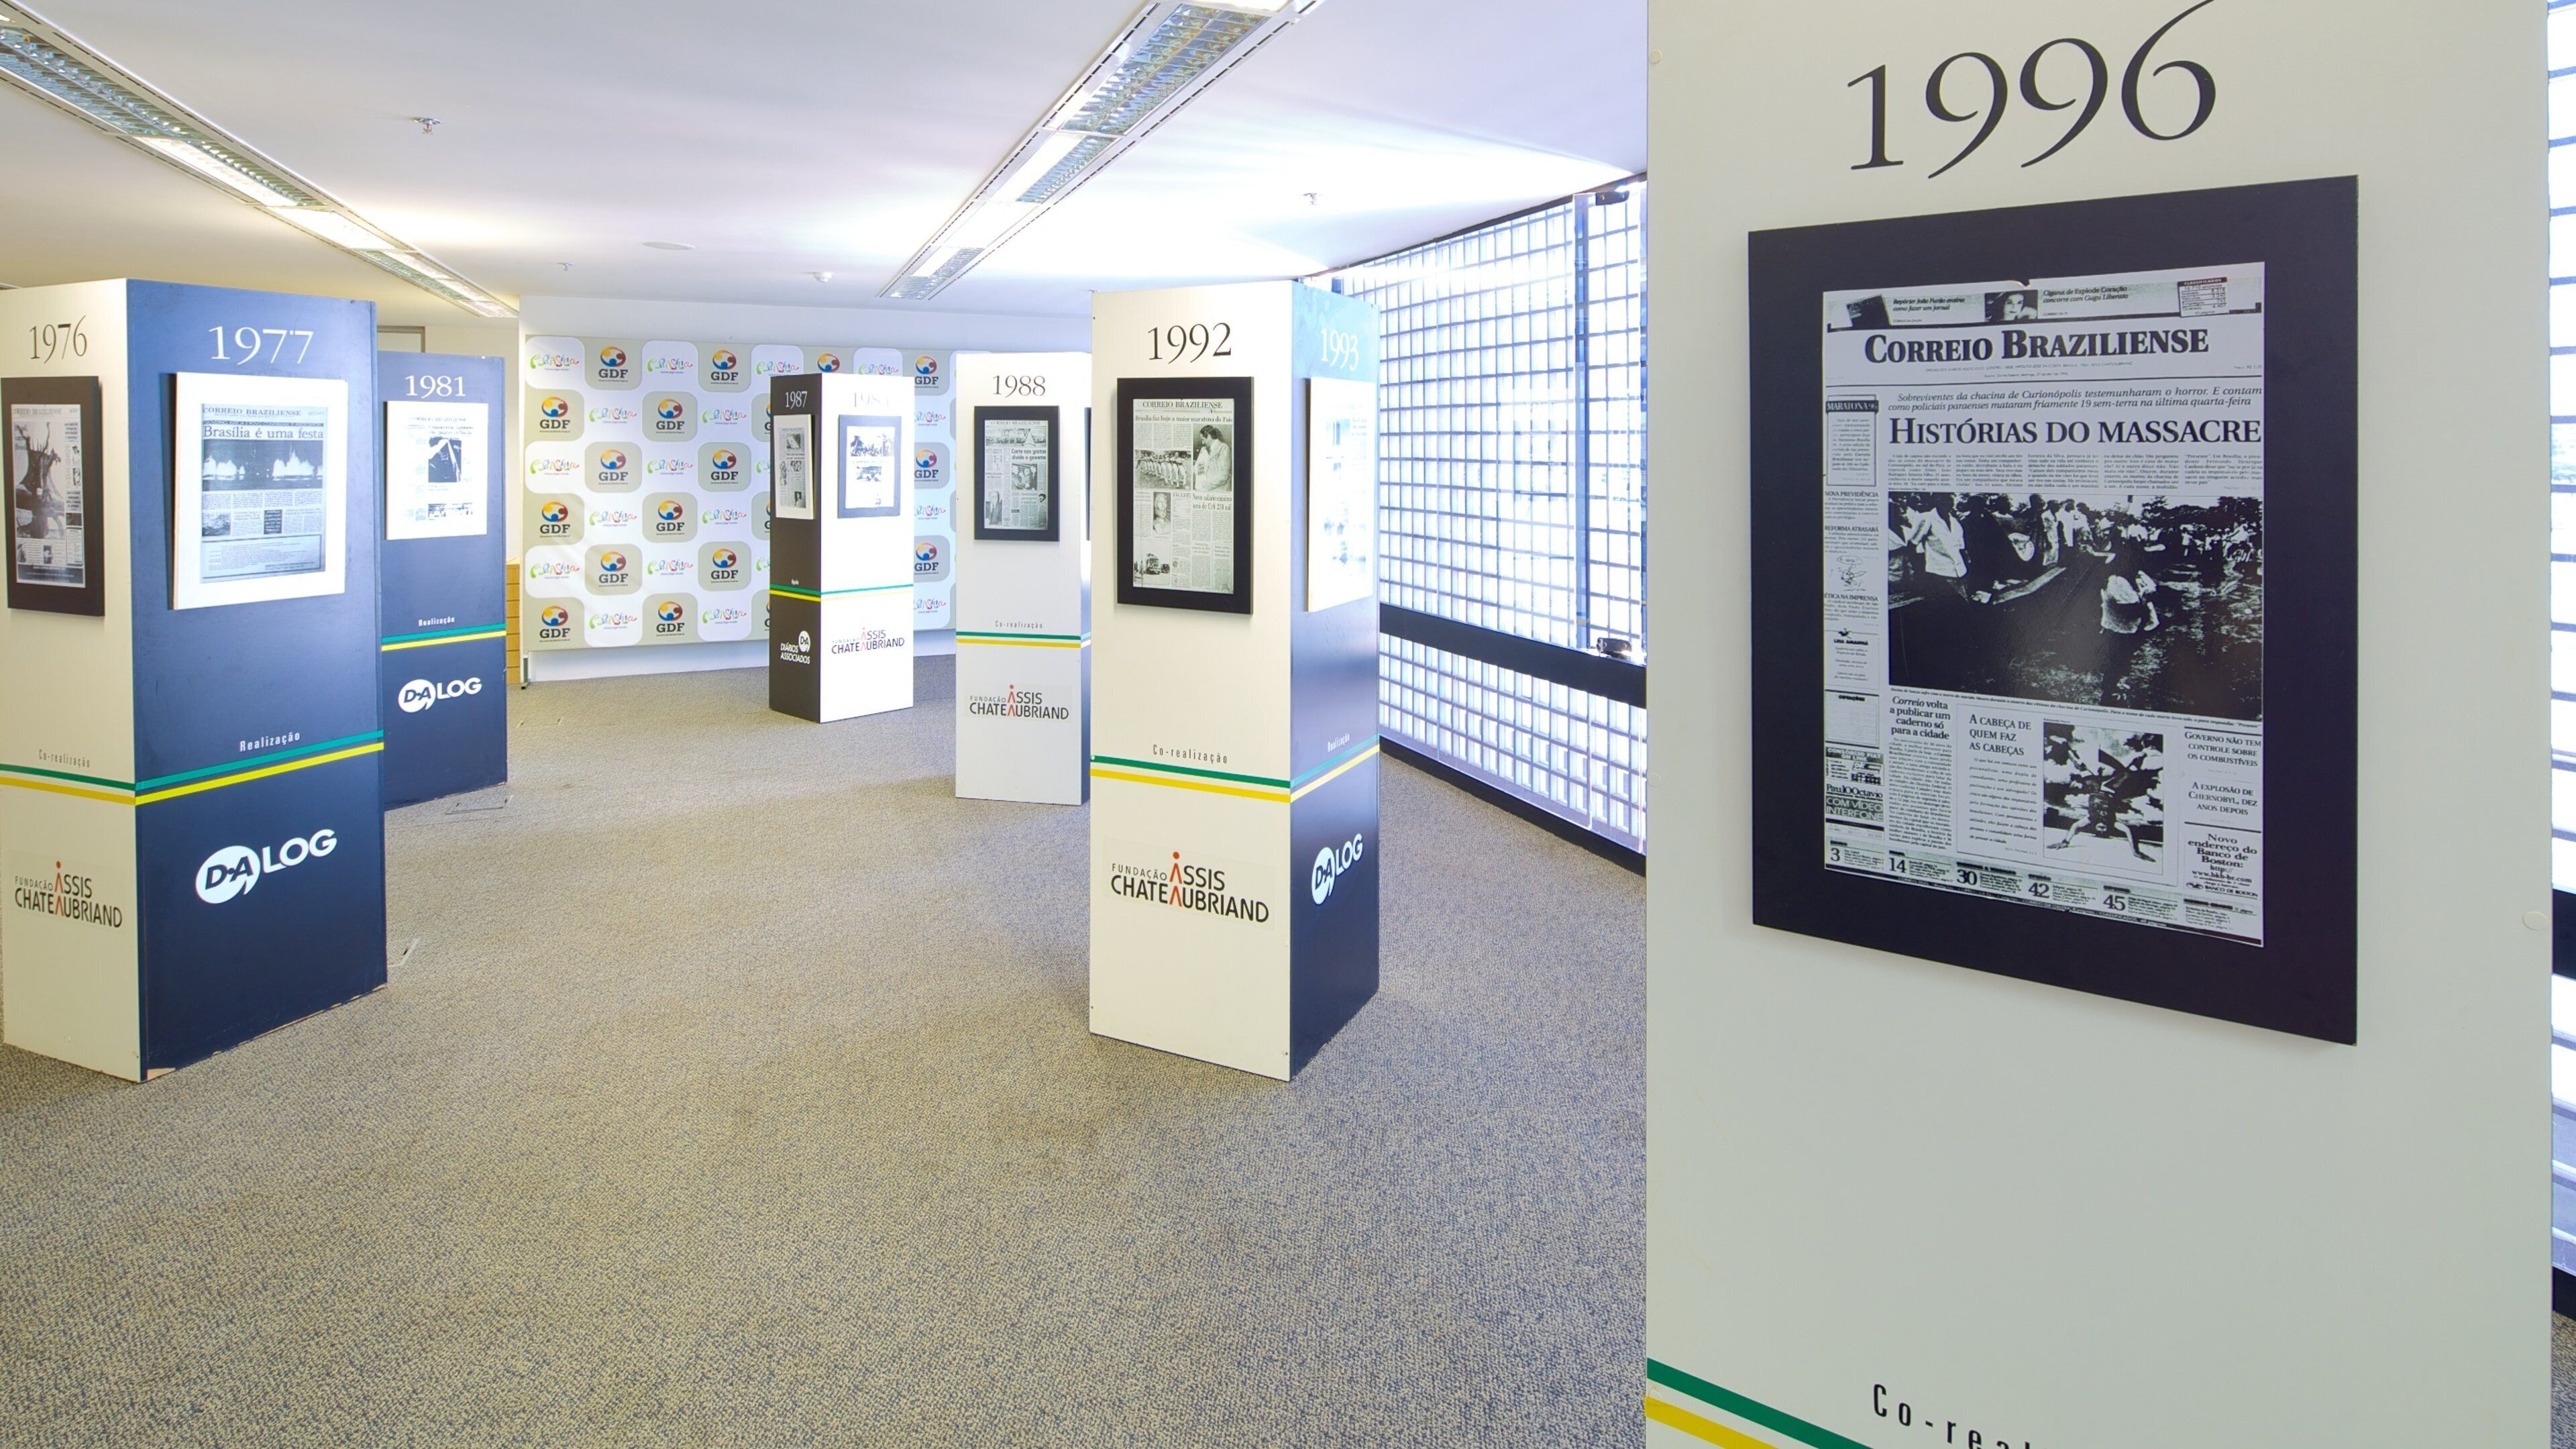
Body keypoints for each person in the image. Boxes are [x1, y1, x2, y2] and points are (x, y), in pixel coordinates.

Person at [2097, 542, 2160, 707]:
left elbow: (2153, 587)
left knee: (2124, 659)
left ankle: (2116, 684)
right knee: (2116, 660)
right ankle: (2110, 692)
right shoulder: (2117, 582)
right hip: (2118, 629)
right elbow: (2134, 609)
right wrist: (2146, 597)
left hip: (2128, 628)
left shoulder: (2132, 575)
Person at [1193, 425, 1232, 492]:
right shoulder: (1207, 450)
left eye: (1203, 440)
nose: (1203, 442)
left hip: (1219, 490)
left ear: (1209, 437)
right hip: (1210, 489)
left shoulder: (1224, 448)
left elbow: (1223, 476)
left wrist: (1206, 486)